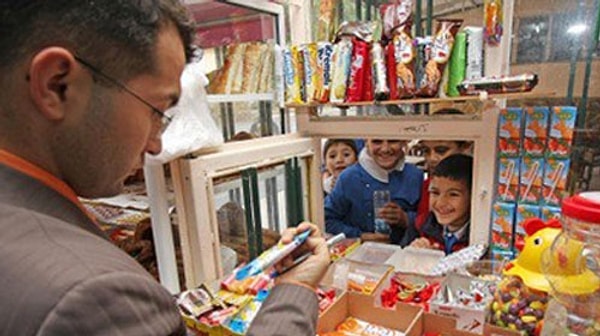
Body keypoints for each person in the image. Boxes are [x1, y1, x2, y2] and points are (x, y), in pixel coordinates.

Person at [0, 2, 330, 336]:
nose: (156, 145)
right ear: (57, 84)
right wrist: (295, 290)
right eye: (156, 111)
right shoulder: (94, 296)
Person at [325, 139, 423, 244]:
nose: (385, 149)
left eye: (393, 141)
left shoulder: (415, 176)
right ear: (366, 142)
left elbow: (432, 221)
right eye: (377, 142)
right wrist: (360, 236)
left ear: (404, 142)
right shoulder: (348, 178)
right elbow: (327, 220)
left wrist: (406, 219)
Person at [401, 154, 473, 254]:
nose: (440, 203)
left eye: (453, 194)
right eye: (435, 193)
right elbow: (401, 259)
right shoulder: (420, 225)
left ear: (473, 196)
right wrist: (413, 252)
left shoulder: (478, 235)